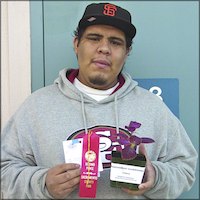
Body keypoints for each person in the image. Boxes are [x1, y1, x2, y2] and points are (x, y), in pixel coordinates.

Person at [1, 2, 198, 199]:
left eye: (115, 42)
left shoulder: (153, 108)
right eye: (94, 38)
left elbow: (185, 168)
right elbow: (4, 170)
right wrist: (42, 183)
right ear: (76, 44)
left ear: (127, 52)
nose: (104, 48)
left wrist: (156, 177)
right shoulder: (37, 106)